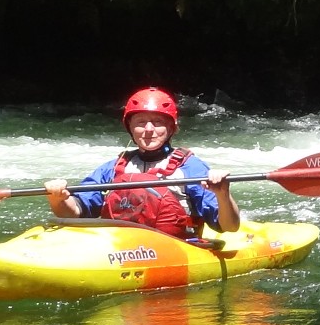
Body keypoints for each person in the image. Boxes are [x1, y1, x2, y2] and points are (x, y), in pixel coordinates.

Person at [44, 87, 240, 239]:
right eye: (140, 122)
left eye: (157, 122)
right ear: (130, 128)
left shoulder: (191, 168)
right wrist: (58, 198)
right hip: (120, 245)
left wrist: (223, 195)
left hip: (175, 246)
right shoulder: (113, 167)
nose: (148, 129)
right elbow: (76, 212)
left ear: (172, 128)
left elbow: (230, 226)